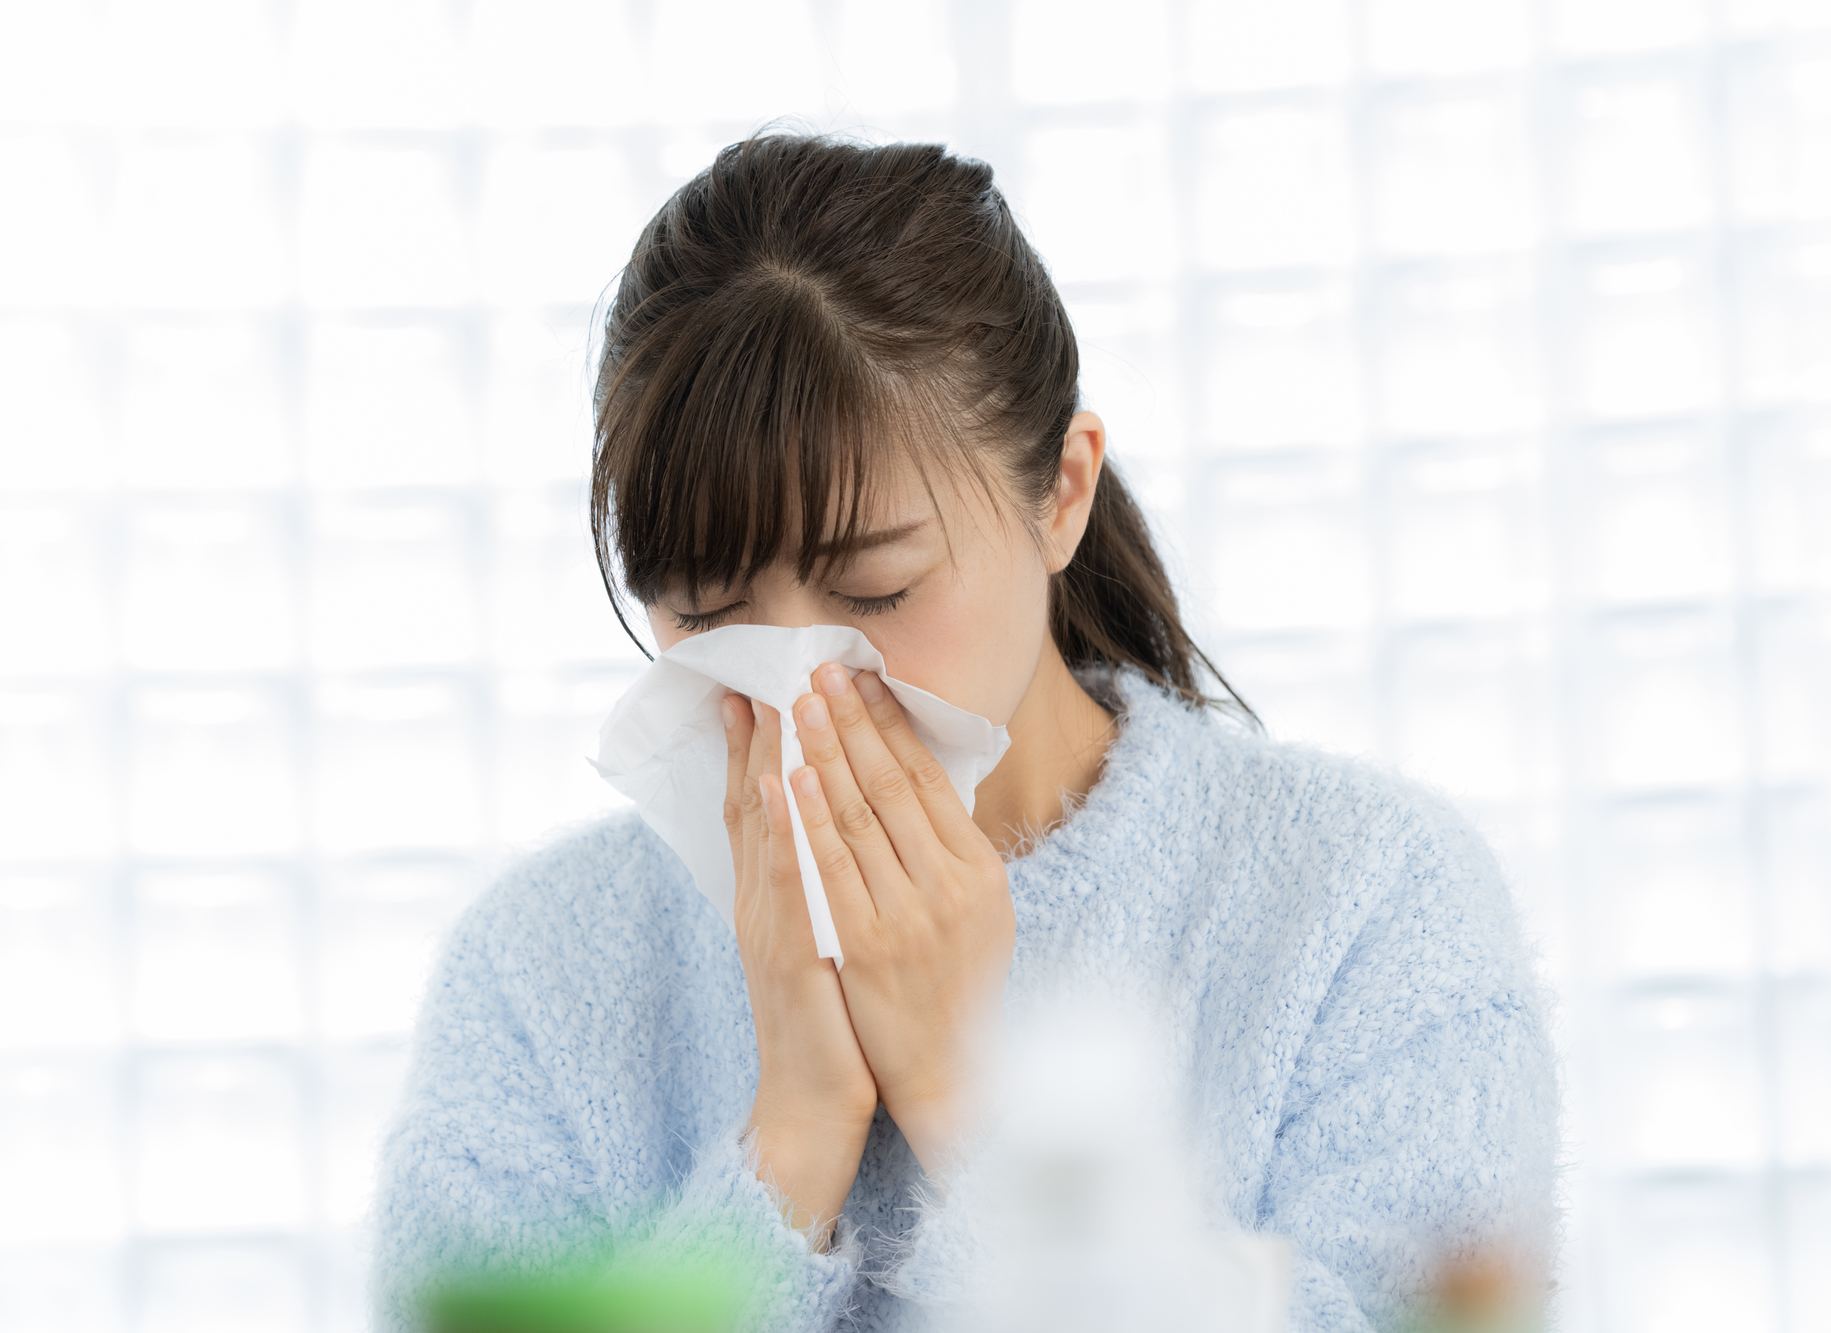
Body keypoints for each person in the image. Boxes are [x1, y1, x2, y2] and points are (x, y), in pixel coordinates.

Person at [371, 133, 1560, 1331]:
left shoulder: (1364, 905)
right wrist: (788, 1143)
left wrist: (967, 1101)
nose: (800, 685)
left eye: (875, 590)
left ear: (1061, 495)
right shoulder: (537, 976)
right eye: (708, 611)